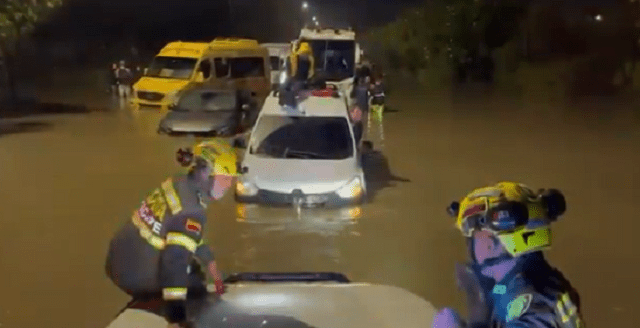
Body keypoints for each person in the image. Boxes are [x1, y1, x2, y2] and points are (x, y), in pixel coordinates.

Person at [105, 139, 239, 328]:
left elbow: (188, 234)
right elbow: (174, 263)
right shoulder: (191, 211)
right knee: (193, 283)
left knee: (191, 266)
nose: (229, 184)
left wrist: (210, 262)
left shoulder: (178, 184)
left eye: (232, 178)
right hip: (135, 274)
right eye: (225, 178)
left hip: (118, 259)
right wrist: (177, 318)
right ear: (205, 174)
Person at [434, 182, 584, 328]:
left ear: (490, 244)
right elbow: (501, 292)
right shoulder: (520, 282)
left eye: (475, 237)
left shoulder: (533, 297)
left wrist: (475, 319)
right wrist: (482, 295)